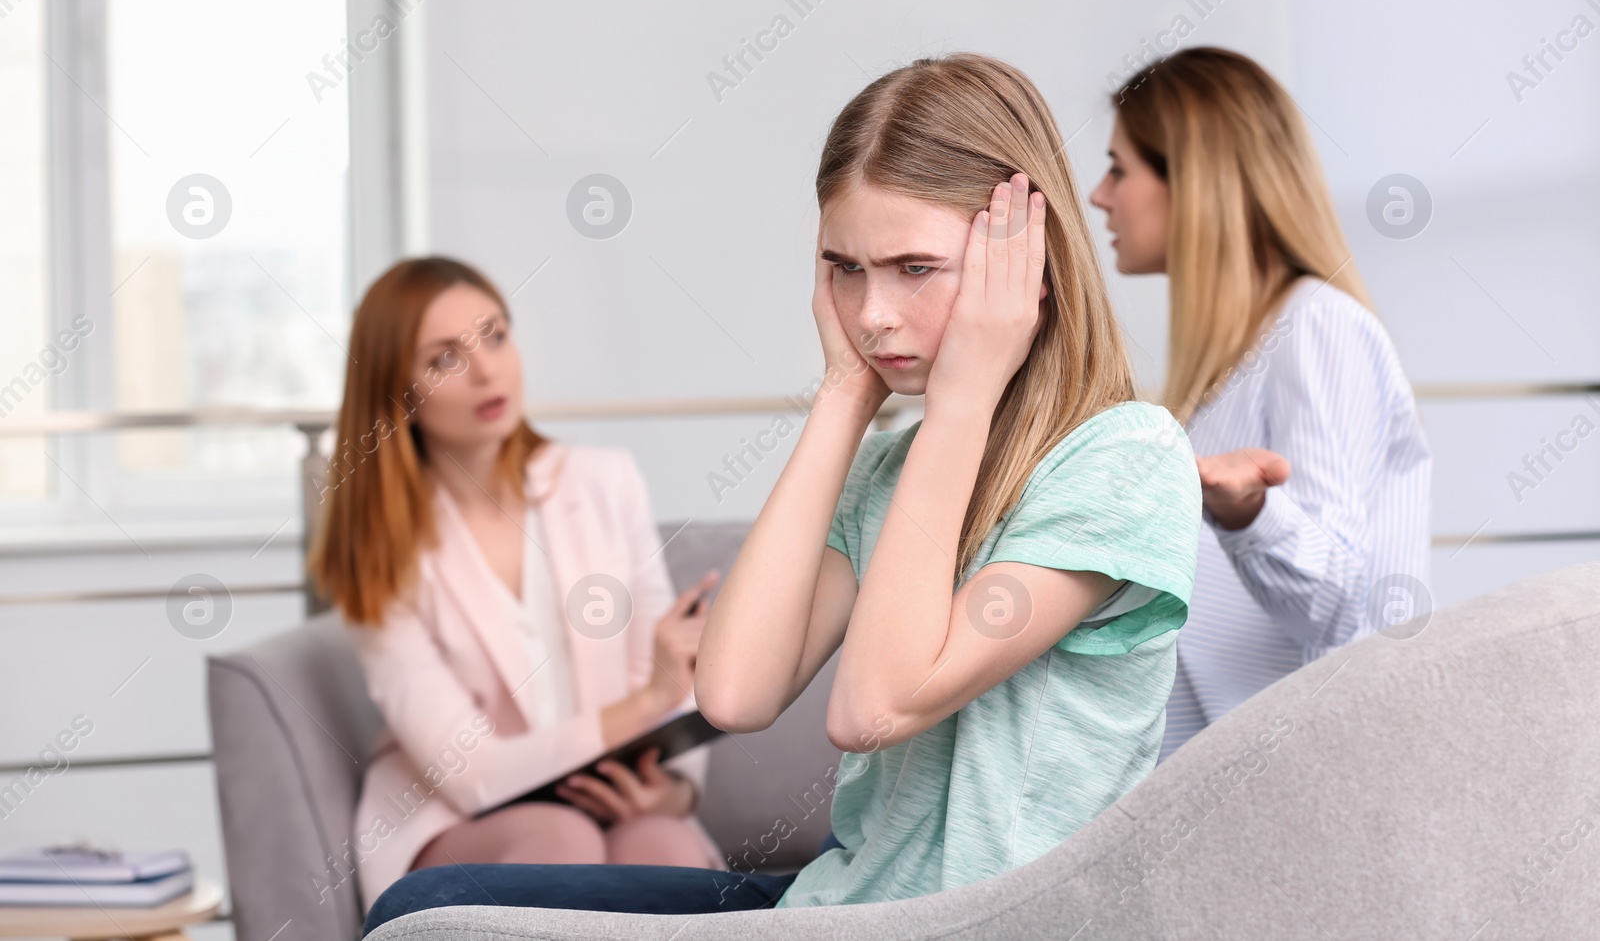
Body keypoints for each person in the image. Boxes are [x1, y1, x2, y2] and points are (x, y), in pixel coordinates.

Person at [362, 52, 1201, 928]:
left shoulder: (1126, 457)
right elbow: (734, 692)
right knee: (430, 906)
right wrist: (843, 396)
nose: (872, 313)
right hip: (845, 905)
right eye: (846, 268)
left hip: (982, 922)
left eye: (914, 267)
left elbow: (873, 704)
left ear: (1027, 264)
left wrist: (961, 401)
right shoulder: (889, 469)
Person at [309, 257, 724, 916]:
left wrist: (670, 790)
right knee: (558, 838)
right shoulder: (380, 551)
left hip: (608, 801)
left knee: (665, 842)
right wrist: (646, 701)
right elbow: (473, 775)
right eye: (444, 358)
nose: (487, 371)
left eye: (495, 335)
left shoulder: (603, 481)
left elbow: (670, 682)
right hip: (458, 817)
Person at [1086, 47, 1432, 763]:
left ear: (1196, 182)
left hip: (1295, 794)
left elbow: (1336, 602)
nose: (1099, 194)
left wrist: (1250, 513)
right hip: (1213, 792)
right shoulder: (1228, 370)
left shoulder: (1319, 327)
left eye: (1120, 167)